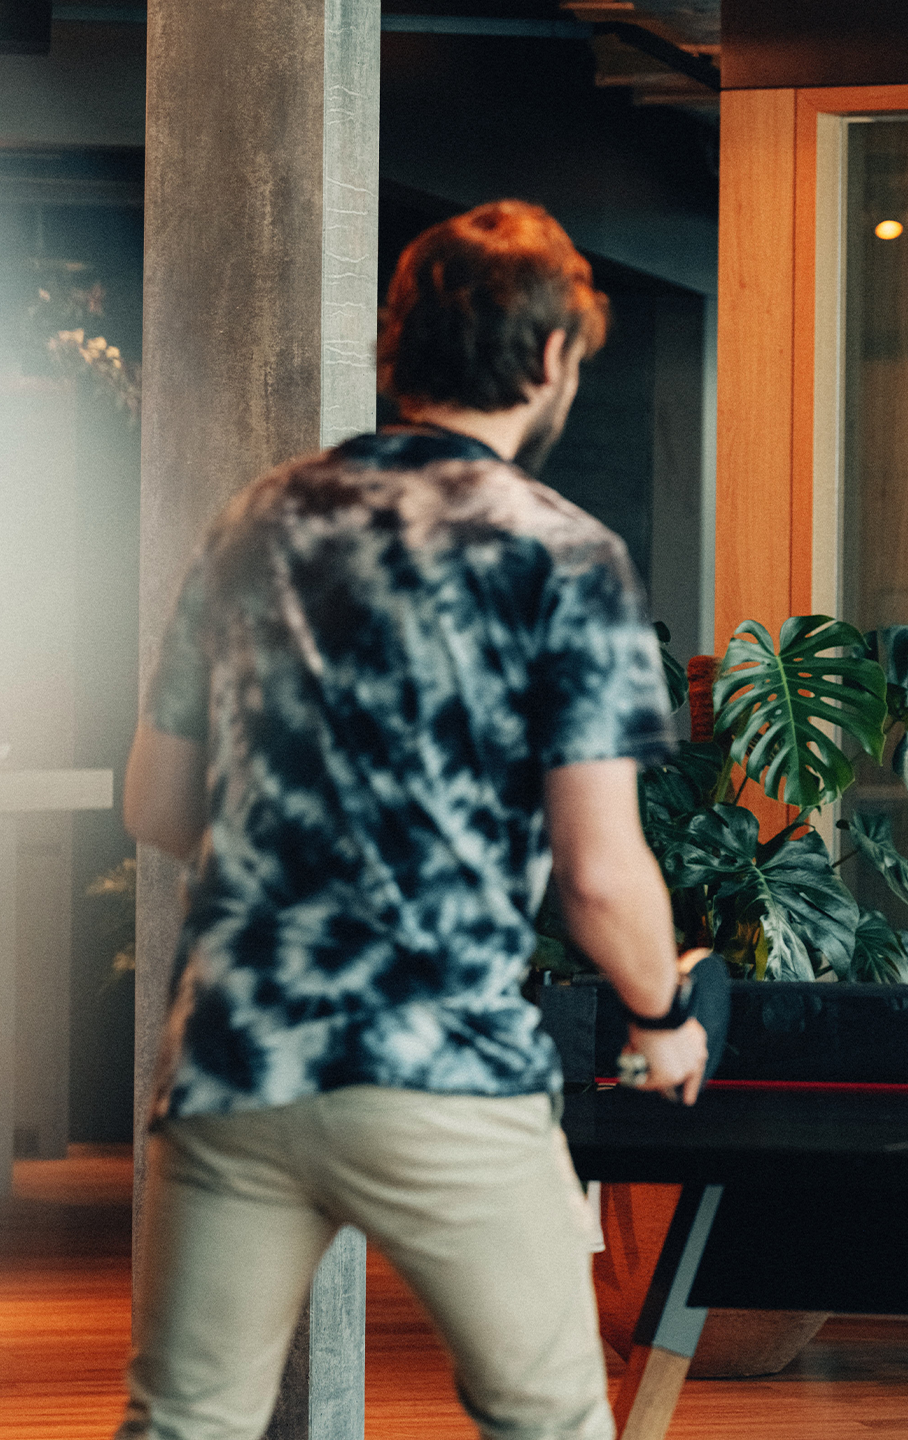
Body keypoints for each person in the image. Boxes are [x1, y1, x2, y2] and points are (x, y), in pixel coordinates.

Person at [114, 199, 706, 1440]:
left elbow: (155, 803)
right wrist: (662, 1018)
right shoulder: (560, 555)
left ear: (400, 349)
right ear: (552, 357)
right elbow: (599, 877)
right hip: (441, 1066)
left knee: (185, 1424)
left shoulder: (256, 522)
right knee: (549, 1421)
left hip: (238, 1056)